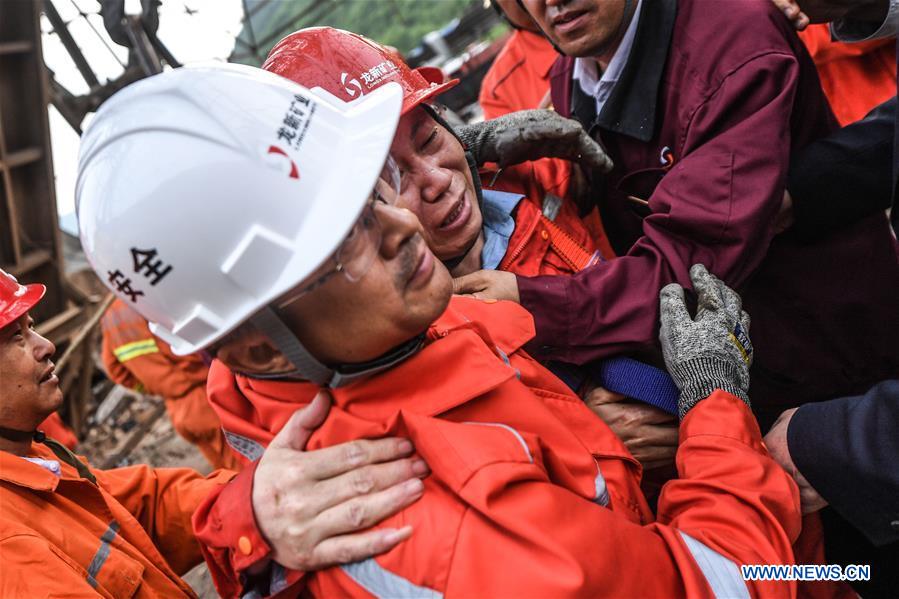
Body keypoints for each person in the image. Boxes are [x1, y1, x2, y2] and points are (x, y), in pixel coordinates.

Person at [77, 63, 806, 599]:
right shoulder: (422, 523)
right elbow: (718, 583)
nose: (405, 224)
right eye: (346, 238)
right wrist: (716, 404)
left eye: (374, 192)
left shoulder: (373, 341)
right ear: (262, 345)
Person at [455, 0, 899, 432]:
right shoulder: (572, 74)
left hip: (837, 366)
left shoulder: (731, 41)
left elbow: (693, 258)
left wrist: (537, 304)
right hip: (741, 377)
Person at [263, 27, 680, 469]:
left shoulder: (543, 176)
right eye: (392, 180)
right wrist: (578, 442)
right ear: (349, 221)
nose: (439, 180)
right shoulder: (393, 349)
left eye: (429, 140)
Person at [101, 298, 243, 470]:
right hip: (205, 399)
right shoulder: (147, 298)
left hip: (177, 410)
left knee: (226, 476)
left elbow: (115, 369)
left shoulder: (110, 315)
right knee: (248, 470)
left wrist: (153, 387)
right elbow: (187, 350)